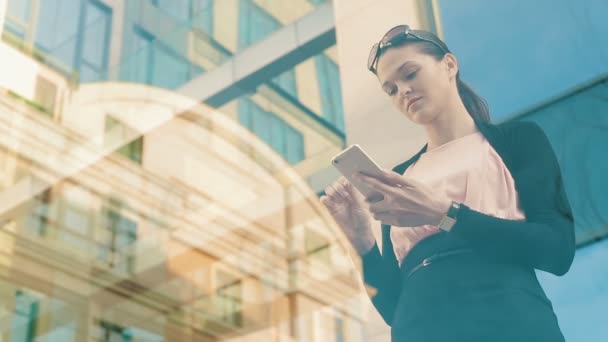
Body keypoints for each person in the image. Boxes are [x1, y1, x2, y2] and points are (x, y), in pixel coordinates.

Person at [320, 25, 575, 341]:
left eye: (410, 74)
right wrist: (363, 244)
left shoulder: (516, 141)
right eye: (391, 89)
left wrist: (444, 213)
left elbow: (557, 249)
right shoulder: (400, 176)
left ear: (449, 65)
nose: (403, 92)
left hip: (508, 321)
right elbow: (392, 307)